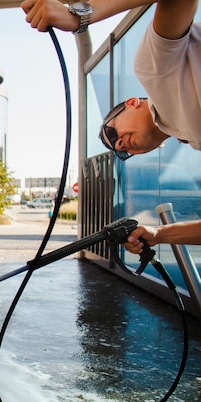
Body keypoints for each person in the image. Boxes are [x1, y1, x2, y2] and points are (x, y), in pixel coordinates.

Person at [22, 0, 201, 254]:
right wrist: (158, 234)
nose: (118, 144)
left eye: (111, 131)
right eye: (120, 151)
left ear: (132, 103)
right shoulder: (192, 137)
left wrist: (79, 15)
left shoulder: (154, 70)